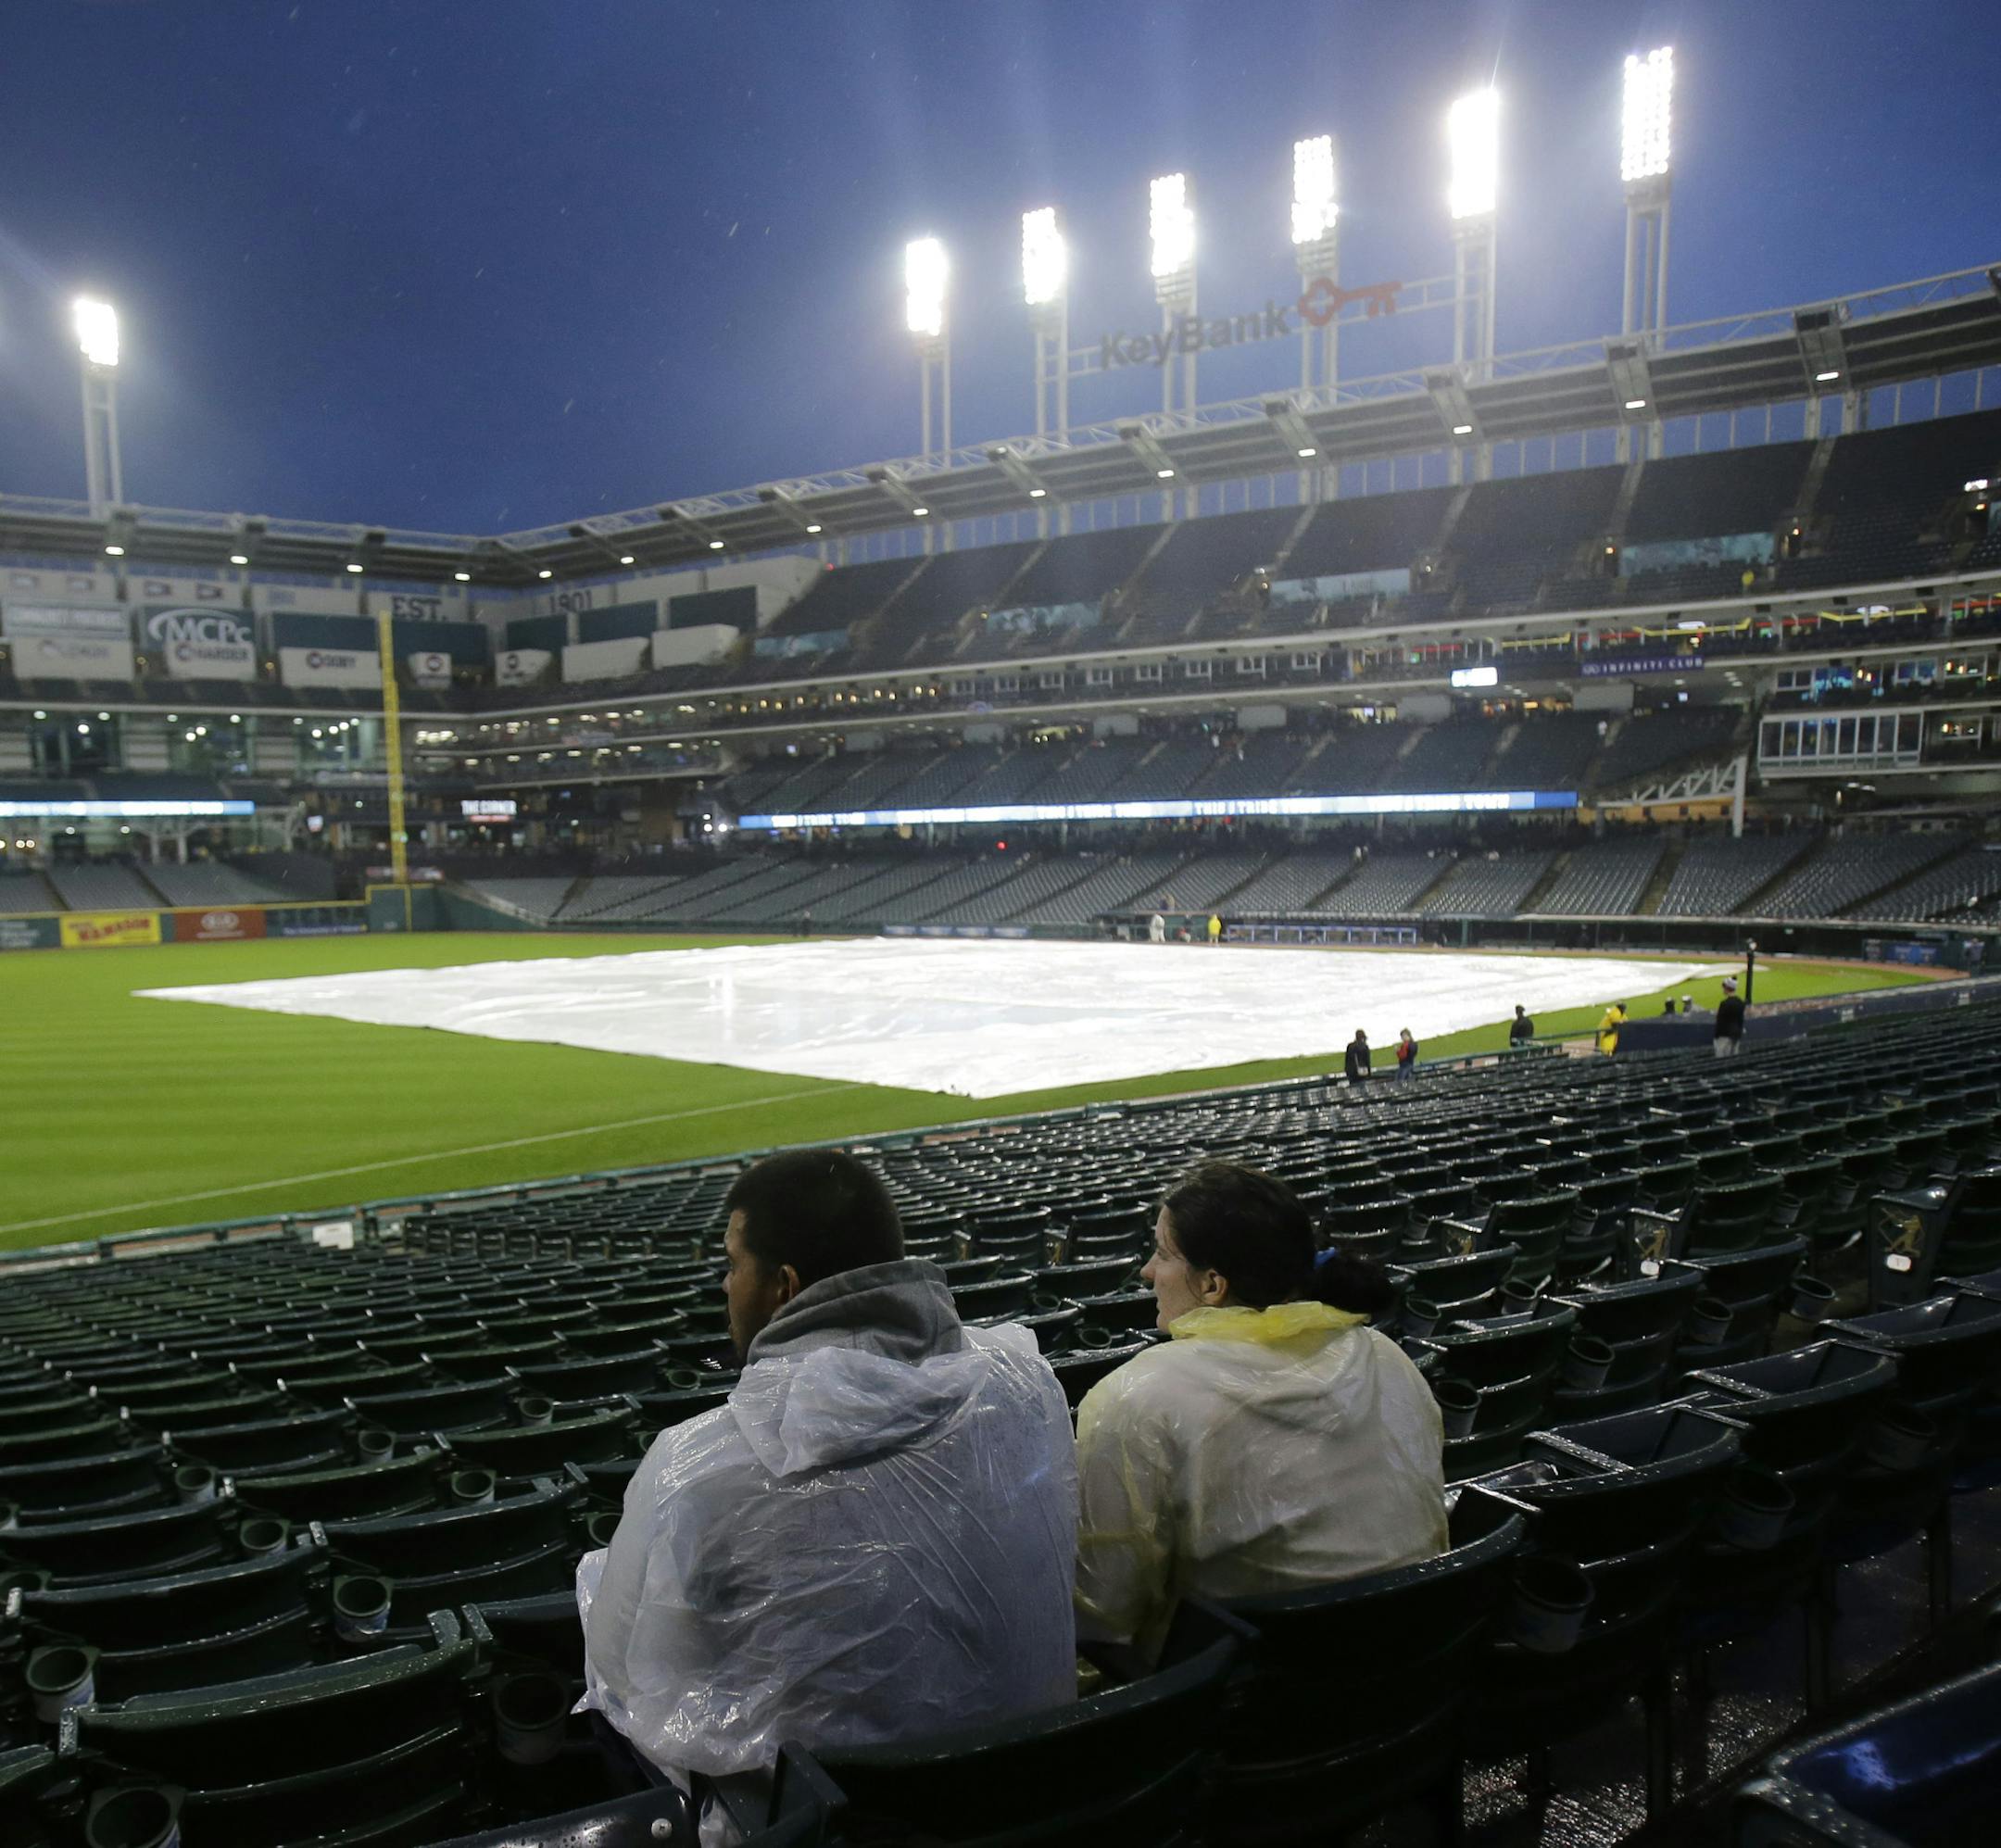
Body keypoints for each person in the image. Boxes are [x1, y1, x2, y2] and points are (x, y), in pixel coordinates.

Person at [579, 1150, 1077, 1824]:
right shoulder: (1025, 1382)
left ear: (783, 1286)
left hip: (834, 1826)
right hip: (1043, 1793)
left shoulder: (695, 1467)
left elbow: (622, 1673)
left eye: (732, 1265)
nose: (726, 1285)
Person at [1073, 1163, 1446, 1663]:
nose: (1147, 1271)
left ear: (1212, 1286)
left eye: (1162, 1254)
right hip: (1422, 1666)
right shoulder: (1384, 1356)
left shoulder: (1137, 1398)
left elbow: (1100, 1615)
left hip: (1249, 1713)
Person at [1714, 975, 1746, 1057]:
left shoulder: (1724, 1004)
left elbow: (1720, 1021)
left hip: (1724, 1035)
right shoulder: (1740, 1002)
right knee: (1734, 1057)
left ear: (1727, 988)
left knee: (1722, 1058)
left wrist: (1716, 1036)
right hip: (1736, 1034)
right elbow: (1741, 1020)